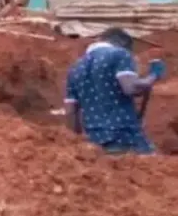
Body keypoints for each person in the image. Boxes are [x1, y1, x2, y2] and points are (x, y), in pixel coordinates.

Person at [65, 27, 166, 155]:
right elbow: (131, 88)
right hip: (125, 137)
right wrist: (154, 75)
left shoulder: (75, 67)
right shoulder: (120, 54)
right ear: (123, 44)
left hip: (94, 142)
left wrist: (77, 142)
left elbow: (70, 112)